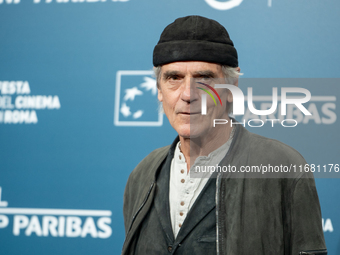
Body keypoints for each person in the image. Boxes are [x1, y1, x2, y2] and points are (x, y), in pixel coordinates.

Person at [122, 15, 327, 255]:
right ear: (159, 89)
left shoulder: (283, 167)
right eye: (174, 78)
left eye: (204, 78)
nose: (188, 94)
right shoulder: (142, 175)